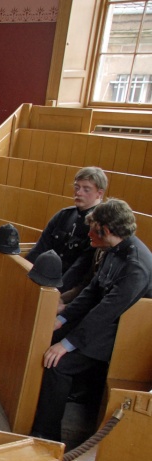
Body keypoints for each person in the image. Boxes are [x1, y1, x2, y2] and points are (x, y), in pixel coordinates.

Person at [31, 199, 152, 442]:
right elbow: (92, 292)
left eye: (92, 227)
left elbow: (107, 312)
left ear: (105, 230)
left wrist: (67, 344)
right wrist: (63, 320)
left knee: (59, 363)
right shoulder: (111, 249)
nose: (88, 233)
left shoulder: (135, 265)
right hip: (104, 324)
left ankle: (47, 435)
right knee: (50, 336)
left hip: (123, 335)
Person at [25, 166, 107, 301]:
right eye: (76, 187)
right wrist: (25, 275)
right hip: (44, 278)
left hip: (69, 290)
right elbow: (40, 248)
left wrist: (56, 292)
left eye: (86, 189)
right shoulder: (63, 215)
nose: (79, 193)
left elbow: (81, 267)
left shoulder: (98, 226)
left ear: (99, 193)